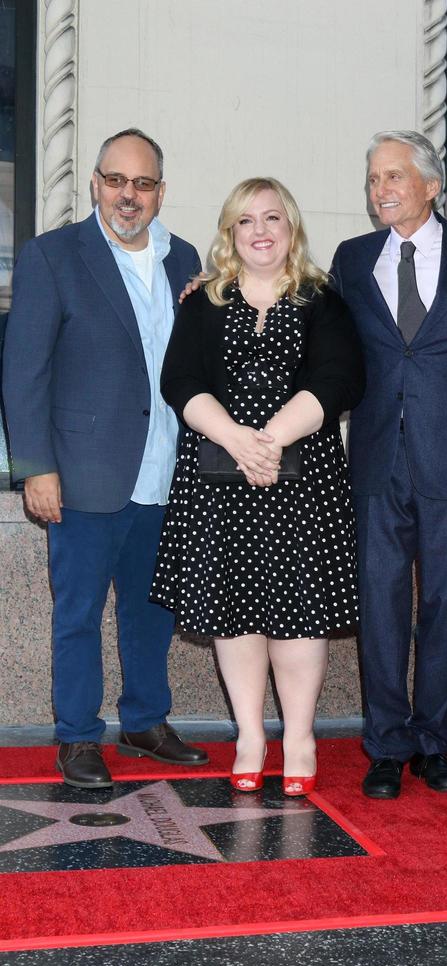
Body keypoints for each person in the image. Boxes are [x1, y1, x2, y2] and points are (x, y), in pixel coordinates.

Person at [2, 128, 208, 788]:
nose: (129, 195)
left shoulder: (186, 261)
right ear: (94, 184)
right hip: (83, 475)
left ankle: (146, 723)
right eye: (116, 181)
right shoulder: (52, 257)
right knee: (79, 614)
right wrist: (35, 466)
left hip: (165, 473)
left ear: (160, 193)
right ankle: (78, 736)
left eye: (143, 184)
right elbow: (23, 371)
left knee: (152, 613)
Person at [151, 177, 364, 795]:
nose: (261, 230)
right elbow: (181, 381)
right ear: (230, 233)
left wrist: (267, 438)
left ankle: (299, 736)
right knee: (232, 612)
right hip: (221, 483)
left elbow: (341, 376)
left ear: (291, 227)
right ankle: (250, 734)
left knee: (300, 616)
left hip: (305, 483)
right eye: (247, 220)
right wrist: (238, 441)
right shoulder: (203, 302)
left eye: (273, 217)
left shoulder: (322, 298)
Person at [330, 131, 447, 799]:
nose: (381, 189)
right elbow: (318, 331)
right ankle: (385, 745)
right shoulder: (351, 259)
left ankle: (433, 742)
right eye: (374, 178)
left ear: (431, 185)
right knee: (381, 605)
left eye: (395, 176)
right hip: (374, 461)